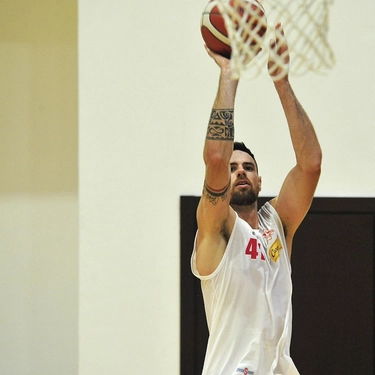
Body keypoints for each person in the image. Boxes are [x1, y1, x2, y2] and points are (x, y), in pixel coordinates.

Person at [191, 23, 322, 375]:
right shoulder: (217, 229)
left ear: (260, 180)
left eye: (248, 166)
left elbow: (310, 166)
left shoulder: (277, 223)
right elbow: (216, 159)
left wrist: (282, 82)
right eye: (234, 168)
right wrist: (230, 74)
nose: (240, 171)